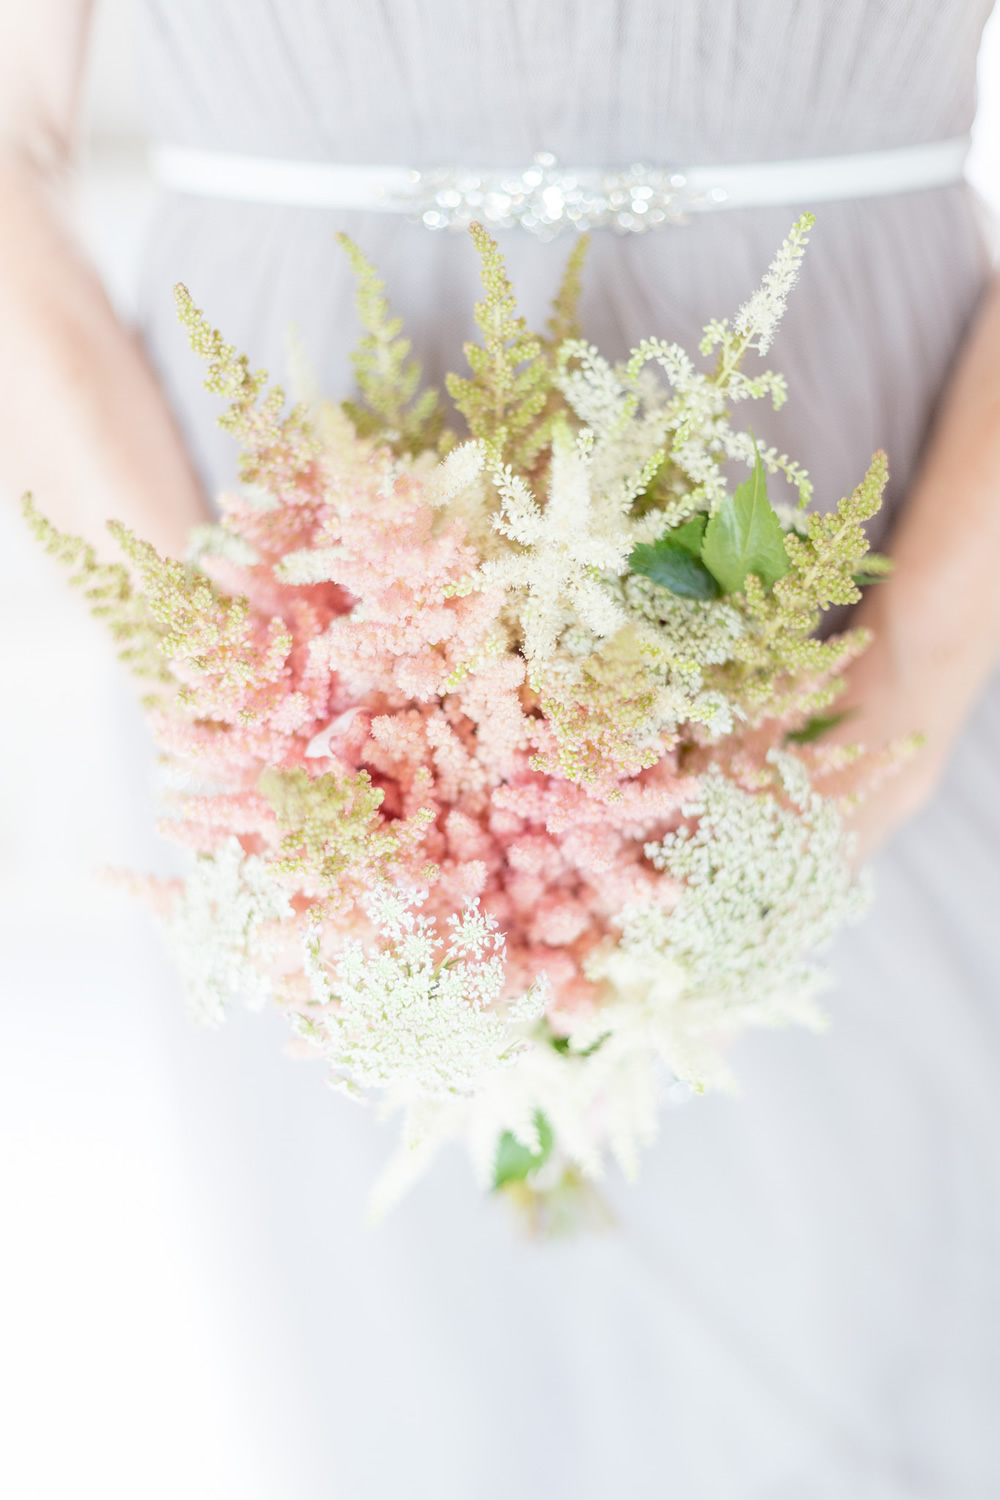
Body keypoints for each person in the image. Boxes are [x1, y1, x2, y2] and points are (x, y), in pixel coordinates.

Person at [3, 1, 1000, 1493]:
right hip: (283, 562)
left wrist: (914, 662)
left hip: (881, 522)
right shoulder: (271, 676)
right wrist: (241, 679)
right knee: (416, 1383)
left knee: (857, 1322)